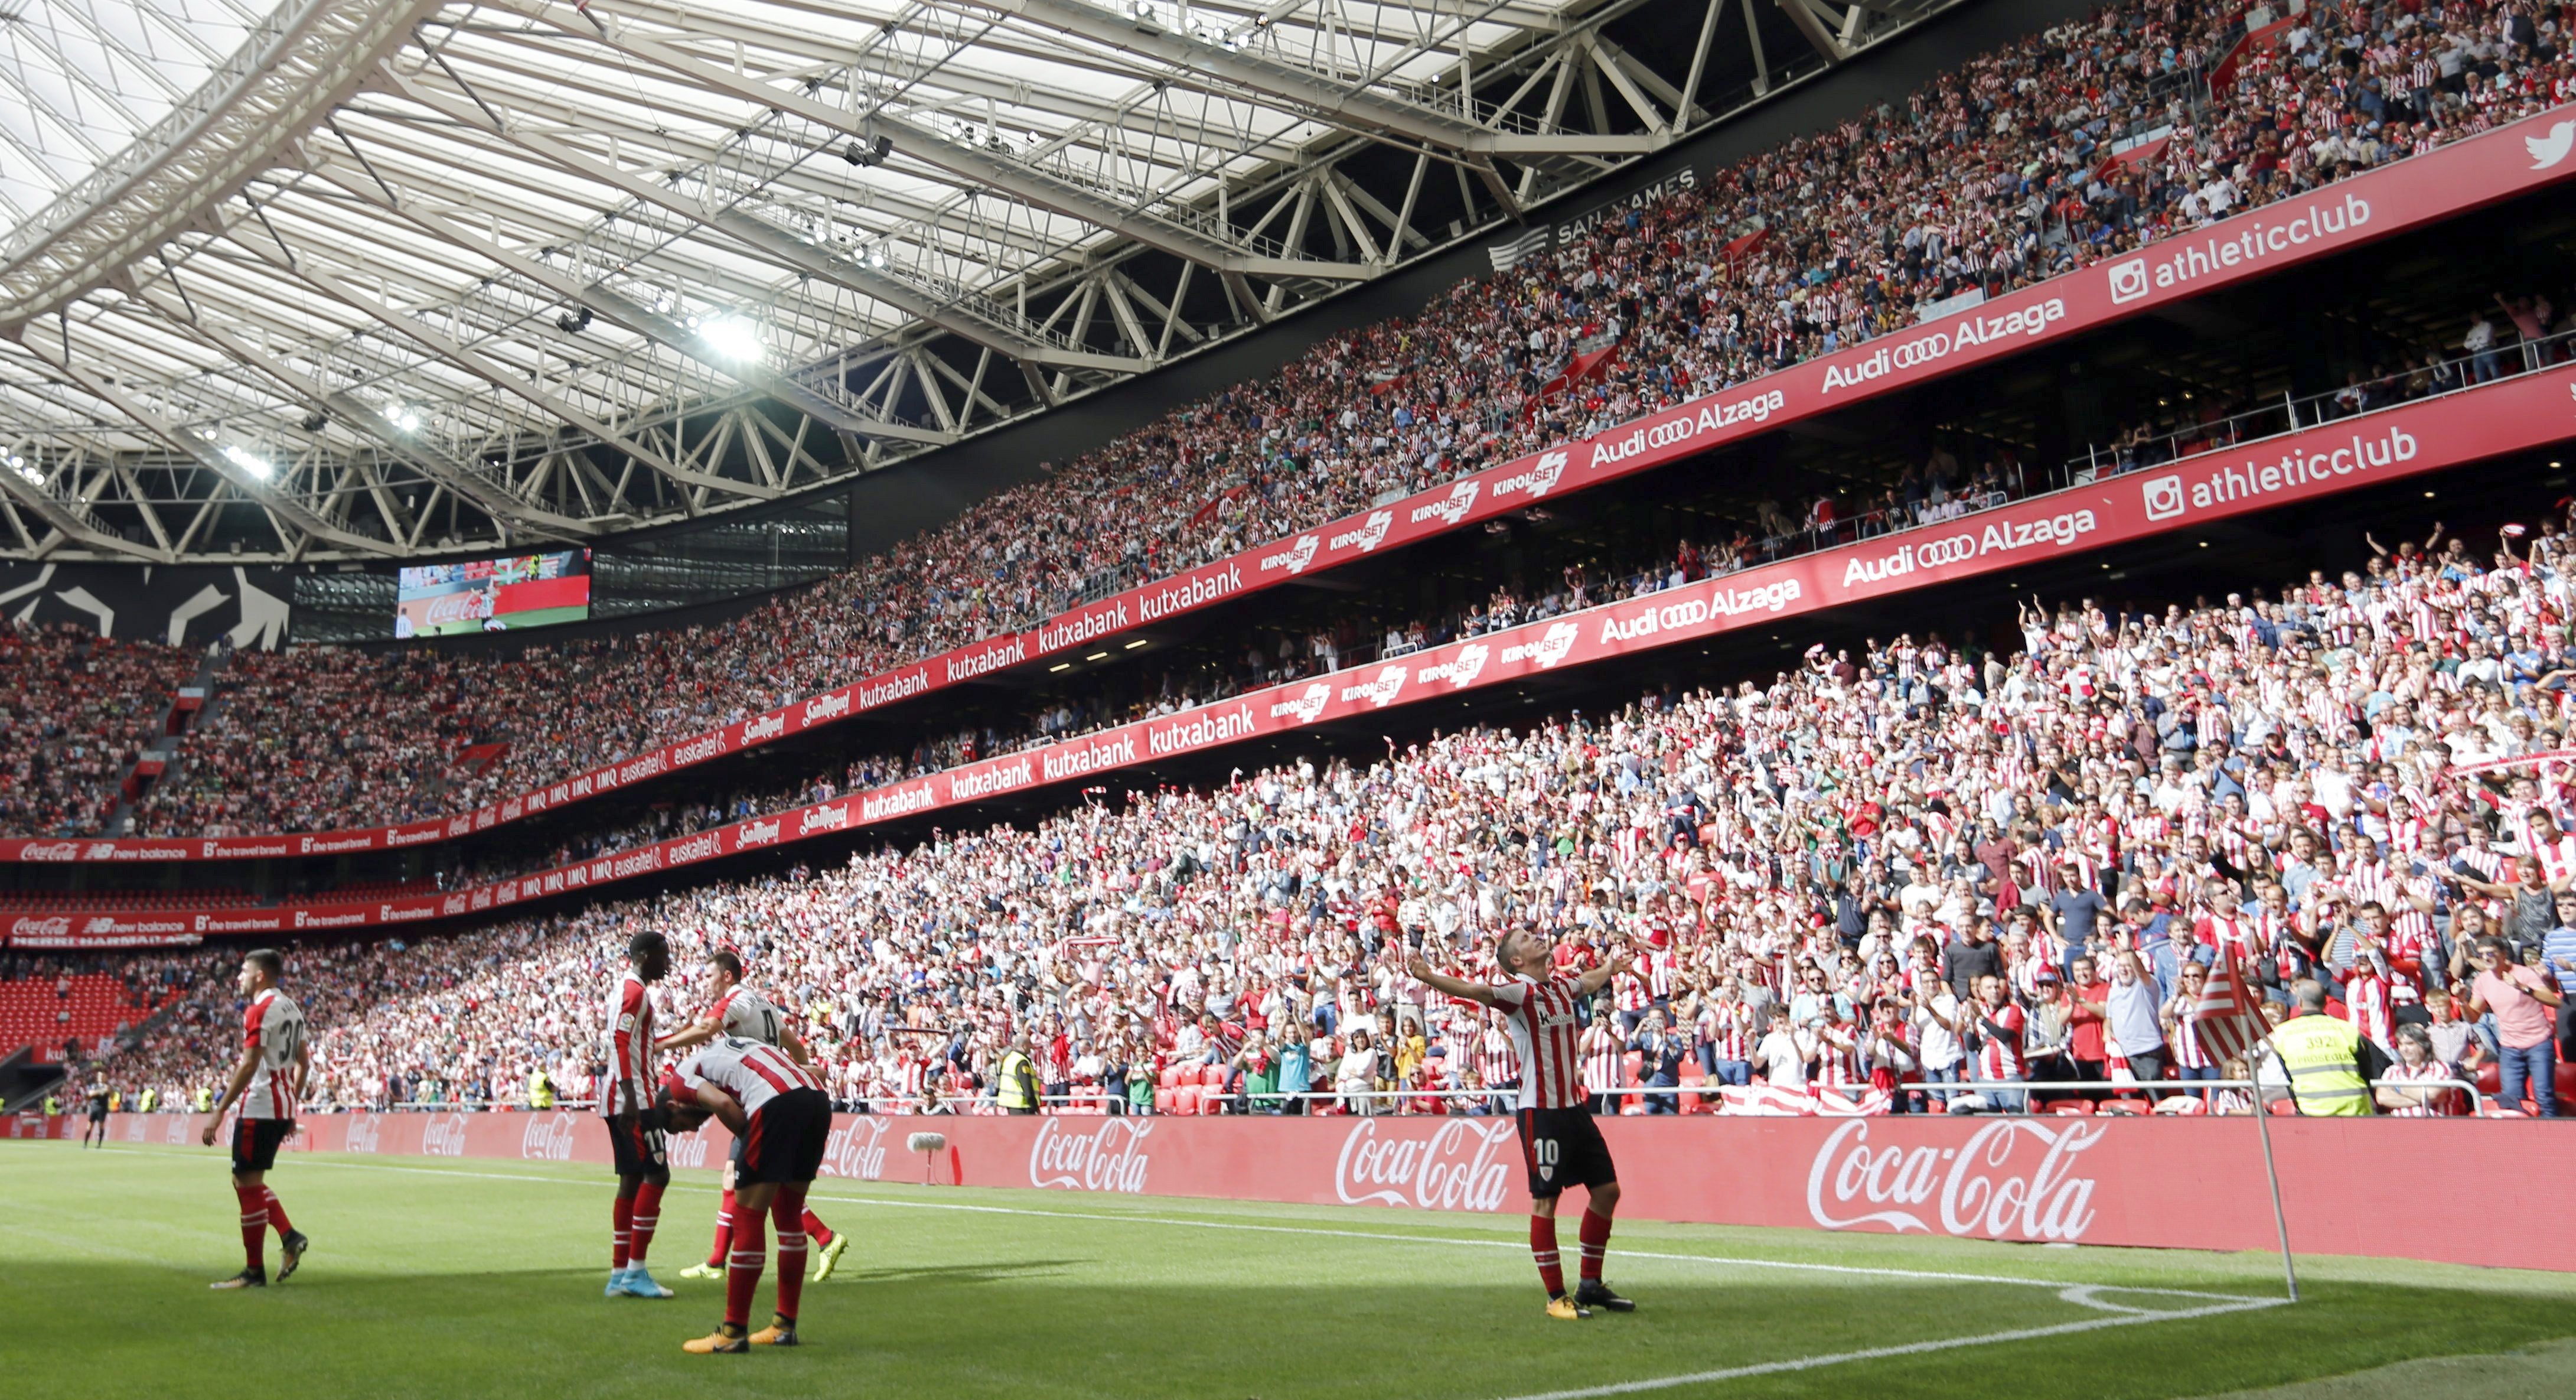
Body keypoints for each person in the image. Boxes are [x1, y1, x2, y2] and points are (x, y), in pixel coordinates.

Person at [1408, 926, 1636, 1321]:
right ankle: (1555, 1298)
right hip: (1541, 1112)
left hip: (1574, 1109)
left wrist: (1612, 966)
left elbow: (1590, 980)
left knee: (1607, 1191)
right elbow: (1476, 991)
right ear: (1517, 961)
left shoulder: (1563, 987)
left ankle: (1590, 1284)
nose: (1537, 938)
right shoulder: (1519, 993)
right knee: (1545, 1201)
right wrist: (1428, 977)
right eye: (1527, 940)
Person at [661, 950, 850, 1284]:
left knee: (754, 1185)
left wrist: (662, 1045)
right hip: (775, 1089)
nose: (706, 984)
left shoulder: (735, 1001)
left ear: (727, 977)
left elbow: (707, 1029)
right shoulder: (762, 1003)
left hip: (761, 1100)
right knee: (743, 1181)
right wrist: (798, 1071)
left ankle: (822, 1238)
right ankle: (719, 1260)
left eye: (709, 977)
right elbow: (794, 1044)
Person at [657, 1034, 833, 1353]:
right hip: (816, 1099)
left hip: (776, 1103)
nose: (694, 1130)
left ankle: (733, 1331)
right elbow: (817, 1073)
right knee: (788, 1212)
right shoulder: (721, 1056)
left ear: (674, 1105)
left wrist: (751, 1146)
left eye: (683, 1125)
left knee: (746, 1214)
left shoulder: (682, 1079)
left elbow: (723, 1104)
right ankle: (784, 1326)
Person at [201, 949, 311, 1289]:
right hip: (279, 1107)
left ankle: (253, 1273)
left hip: (260, 1107)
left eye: (244, 971)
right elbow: (303, 1063)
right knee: (246, 1182)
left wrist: (219, 1110)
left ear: (260, 976)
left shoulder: (259, 1010)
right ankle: (290, 1236)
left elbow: (249, 1065)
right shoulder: (292, 1007)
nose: (239, 977)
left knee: (246, 1185)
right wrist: (291, 1106)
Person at [601, 930, 676, 1299]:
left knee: (631, 1181)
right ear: (645, 956)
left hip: (622, 1095)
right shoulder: (635, 991)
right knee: (657, 1174)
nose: (669, 961)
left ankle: (619, 1274)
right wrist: (631, 1097)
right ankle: (635, 1271)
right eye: (664, 955)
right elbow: (619, 1039)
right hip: (634, 1100)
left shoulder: (624, 989)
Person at [2261, 979, 2392, 1116]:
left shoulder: (2282, 1034)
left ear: (2299, 1002)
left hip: (2313, 1112)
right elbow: (2373, 1069)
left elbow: (2290, 1078)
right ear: (2325, 1001)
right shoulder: (2348, 1029)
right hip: (2356, 1110)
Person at [2465, 936, 2563, 1116]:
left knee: (2544, 1097)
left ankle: (2554, 1140)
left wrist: (2522, 987)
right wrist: (2463, 1004)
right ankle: (2520, 1142)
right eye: (2481, 955)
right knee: (2511, 1100)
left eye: (2490, 953)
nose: (2486, 958)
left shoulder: (2525, 973)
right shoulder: (2482, 981)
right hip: (2510, 1047)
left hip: (2539, 1043)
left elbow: (2555, 1002)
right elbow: (2473, 1017)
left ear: (2503, 954)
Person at [994, 1033, 1041, 1114]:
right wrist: (1035, 1107)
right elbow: (1027, 1086)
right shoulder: (1022, 1061)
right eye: (1029, 1043)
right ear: (1023, 1046)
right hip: (1023, 1107)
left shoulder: (1009, 1059)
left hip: (1011, 1106)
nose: (1031, 1046)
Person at [82, 1082, 107, 1148]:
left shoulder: (105, 1088)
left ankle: (99, 1144)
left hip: (101, 1109)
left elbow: (103, 1093)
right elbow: (89, 1097)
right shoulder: (94, 1089)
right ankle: (85, 1143)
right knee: (90, 1126)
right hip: (94, 1109)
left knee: (101, 1126)